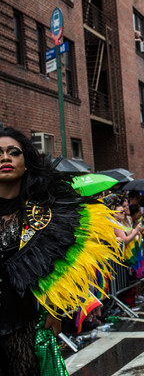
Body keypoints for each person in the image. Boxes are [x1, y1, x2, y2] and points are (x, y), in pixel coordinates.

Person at [0, 126, 120, 375]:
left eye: (14, 152)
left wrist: (55, 311)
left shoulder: (47, 211)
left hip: (28, 319)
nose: (5, 158)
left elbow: (66, 262)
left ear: (26, 161)